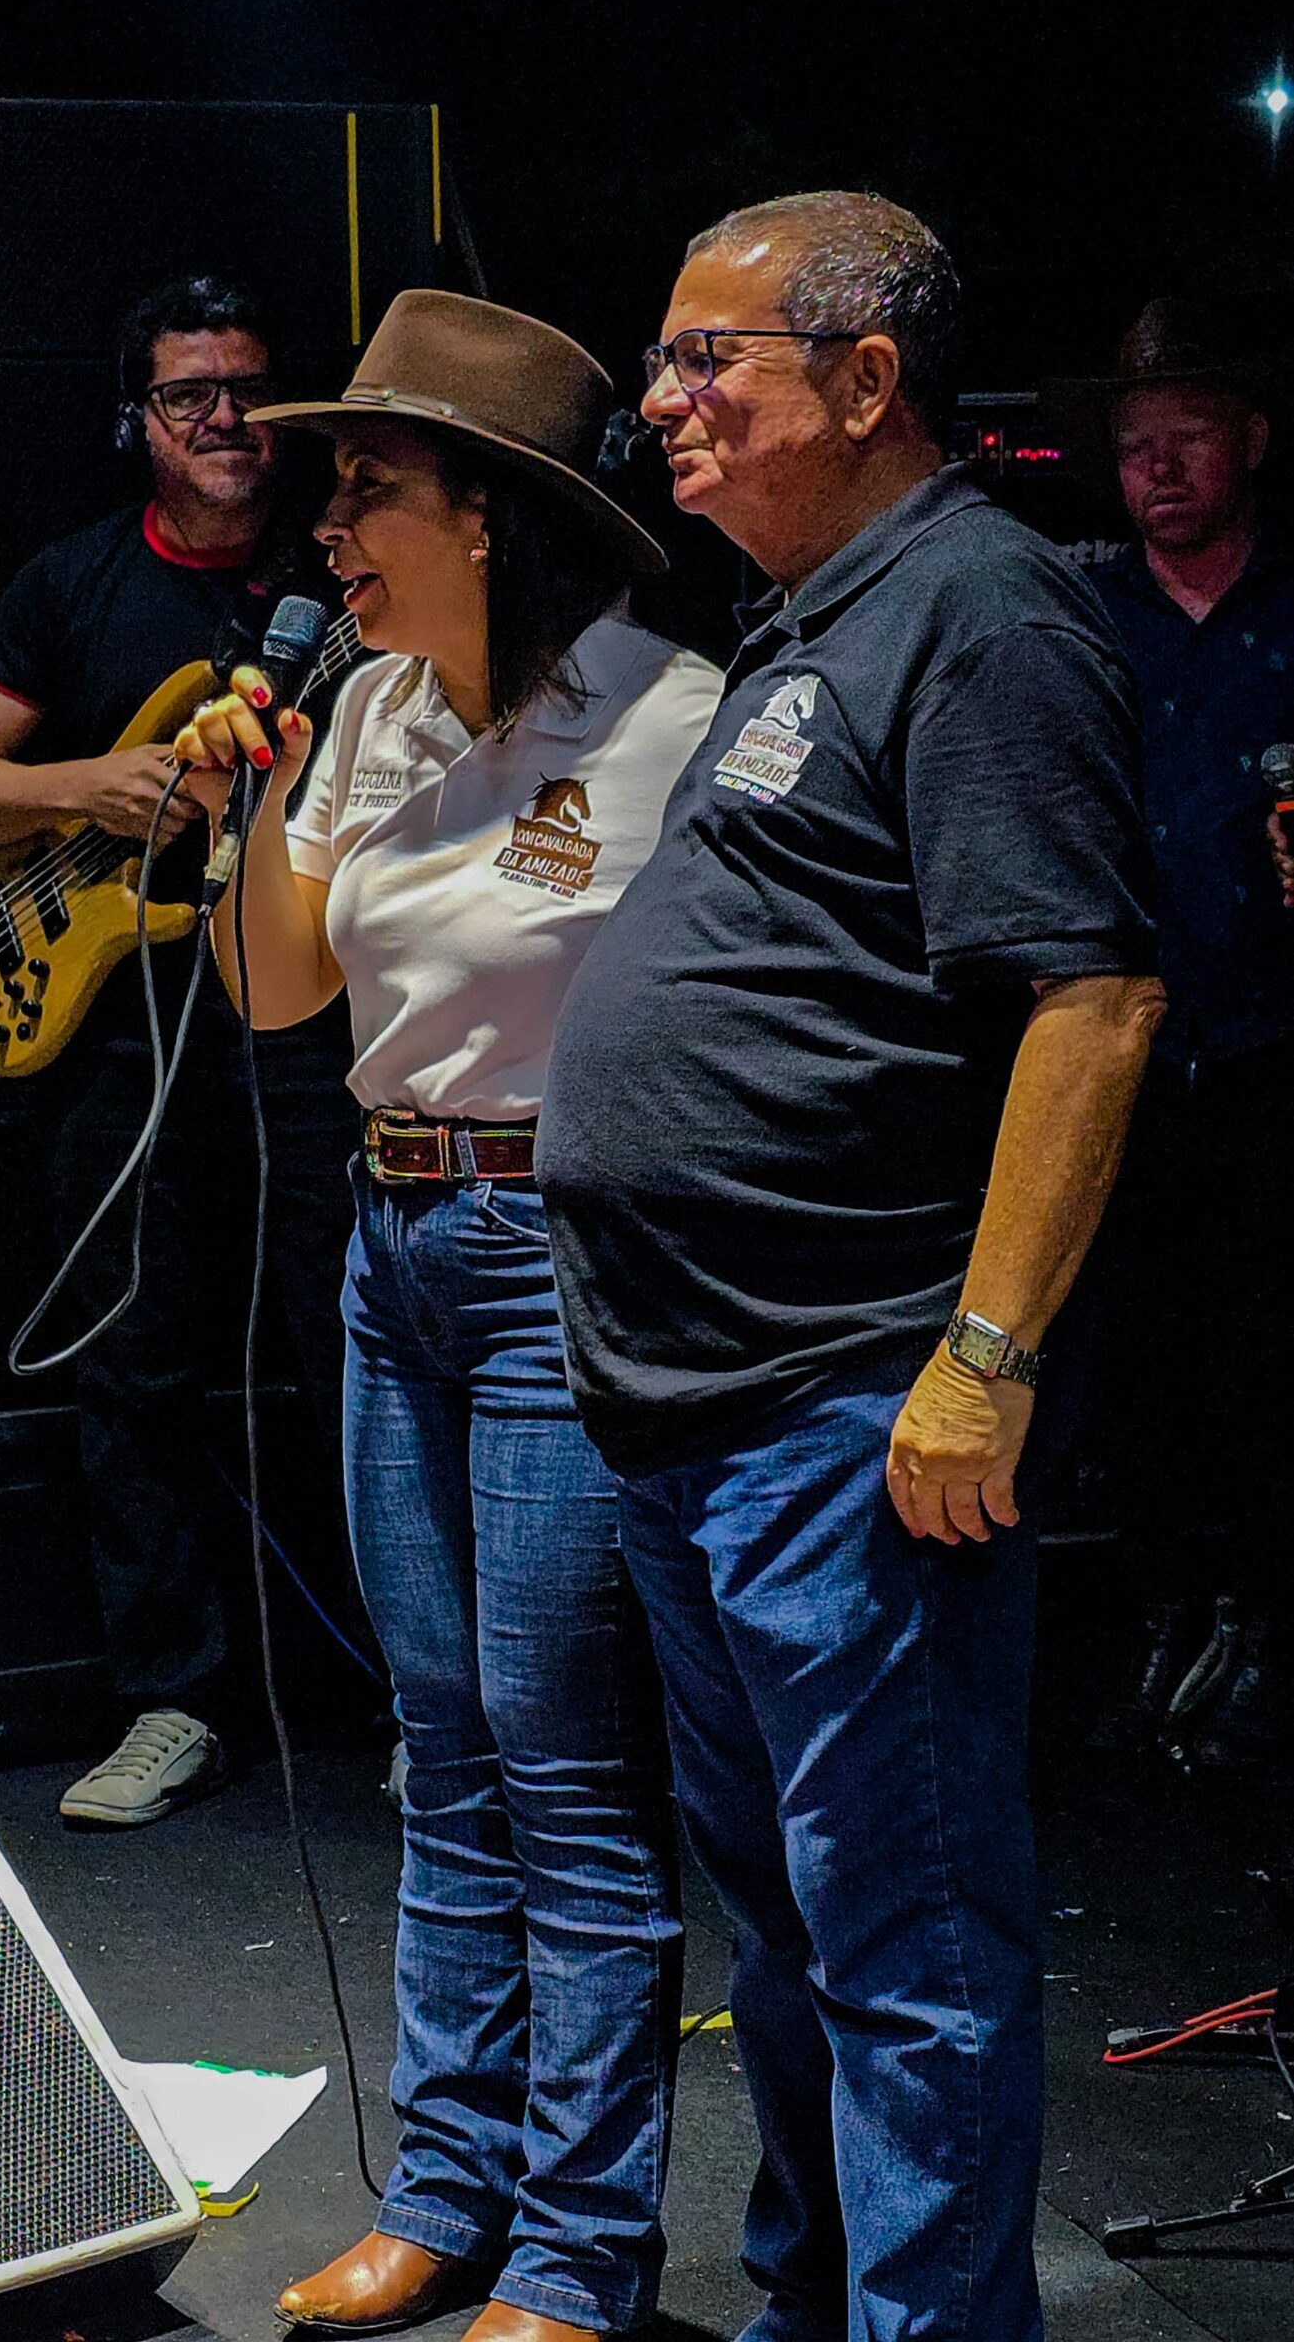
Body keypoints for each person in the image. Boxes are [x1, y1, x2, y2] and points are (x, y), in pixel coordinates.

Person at [534, 194, 1165, 2342]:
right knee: (800, 1933)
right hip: (701, 1408)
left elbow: (1092, 1001)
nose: (662, 399)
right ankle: (818, 2308)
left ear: (868, 379)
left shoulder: (981, 611)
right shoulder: (818, 617)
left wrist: (983, 1357)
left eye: (706, 357)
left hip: (845, 1401)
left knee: (906, 1944)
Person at [173, 290, 721, 2342]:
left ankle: (576, 2246)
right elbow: (275, 992)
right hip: (390, 1244)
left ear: (486, 510)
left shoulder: (668, 716)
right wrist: (249, 793)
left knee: (561, 1760)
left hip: (560, 1247)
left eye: (368, 487)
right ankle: (443, 2188)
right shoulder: (370, 711)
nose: (325, 526)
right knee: (440, 1744)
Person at [0, 273, 361, 1826]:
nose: (225, 419)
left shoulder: (343, 569)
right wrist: (94, 788)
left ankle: (422, 1703)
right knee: (129, 1359)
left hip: (315, 1024)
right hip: (129, 1030)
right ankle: (175, 1697)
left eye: (250, 390)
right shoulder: (76, 580)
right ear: (139, 420)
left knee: (353, 1343)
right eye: (188, 396)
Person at [1060, 298, 1294, 1769]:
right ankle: (1160, 1612)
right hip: (1121, 1052)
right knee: (1135, 1356)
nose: (1158, 468)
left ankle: (1258, 1625)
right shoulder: (1080, 614)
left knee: (1265, 1349)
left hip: (1273, 1052)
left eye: (1188, 437)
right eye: (1137, 443)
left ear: (1250, 440)